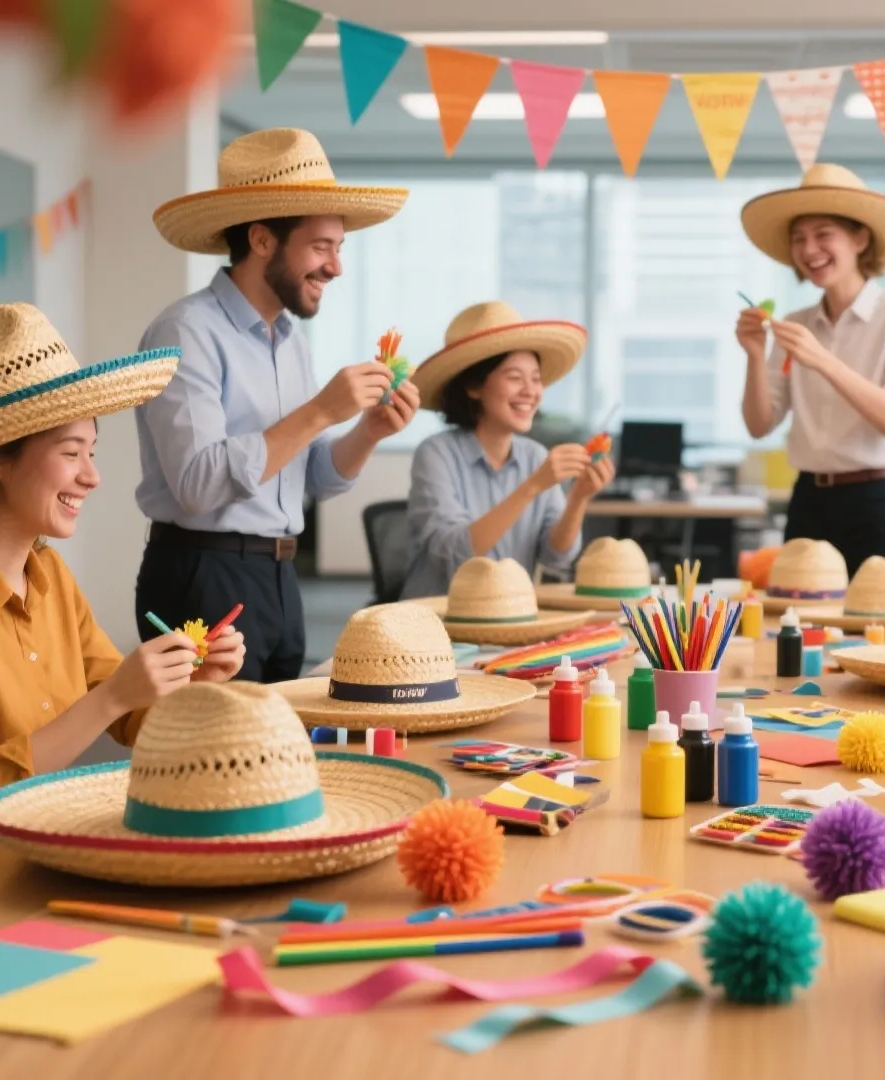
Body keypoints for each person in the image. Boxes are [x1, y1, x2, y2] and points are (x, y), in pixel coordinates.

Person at [0, 304, 245, 914]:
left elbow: (130, 716)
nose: (92, 477)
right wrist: (110, 699)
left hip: (31, 845)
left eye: (92, 451)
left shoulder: (46, 571)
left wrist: (189, 683)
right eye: (71, 452)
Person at [135, 128, 419, 682]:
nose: (336, 267)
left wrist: (367, 431)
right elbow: (197, 484)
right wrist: (318, 411)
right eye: (321, 247)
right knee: (216, 756)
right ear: (262, 240)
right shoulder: (185, 331)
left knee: (277, 751)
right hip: (203, 571)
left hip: (280, 577)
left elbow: (311, 475)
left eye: (339, 248)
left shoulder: (289, 339)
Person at [736, 164, 885, 575]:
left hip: (878, 501)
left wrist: (823, 360)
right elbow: (760, 424)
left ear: (860, 237)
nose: (810, 250)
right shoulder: (796, 322)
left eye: (823, 234)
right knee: (798, 628)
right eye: (799, 239)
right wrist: (755, 354)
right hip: (808, 500)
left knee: (880, 633)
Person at [401, 301, 610, 599]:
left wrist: (578, 496)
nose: (530, 391)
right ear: (474, 386)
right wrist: (532, 486)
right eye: (514, 377)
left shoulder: (535, 456)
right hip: (438, 623)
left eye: (536, 379)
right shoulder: (436, 454)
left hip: (511, 618)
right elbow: (456, 554)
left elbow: (556, 557)